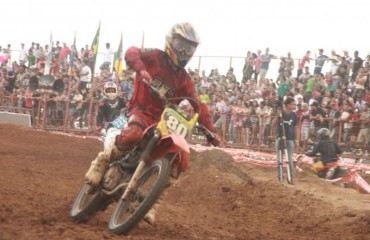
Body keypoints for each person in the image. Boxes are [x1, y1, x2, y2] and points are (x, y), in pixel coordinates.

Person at [85, 22, 220, 223]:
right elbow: (131, 52)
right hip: (141, 109)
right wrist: (141, 70)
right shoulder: (156, 57)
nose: (184, 51)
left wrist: (211, 130)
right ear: (170, 41)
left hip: (162, 121)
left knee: (179, 159)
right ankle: (102, 161)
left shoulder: (184, 79)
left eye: (189, 48)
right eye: (180, 44)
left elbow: (198, 105)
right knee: (134, 134)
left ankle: (152, 200)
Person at [271, 97, 298, 181]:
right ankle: (280, 176)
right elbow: (272, 125)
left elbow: (295, 127)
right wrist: (277, 116)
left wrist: (296, 139)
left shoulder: (294, 115)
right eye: (293, 104)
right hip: (280, 138)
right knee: (279, 159)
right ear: (288, 105)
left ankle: (291, 177)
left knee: (289, 159)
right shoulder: (281, 113)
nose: (294, 106)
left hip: (290, 139)